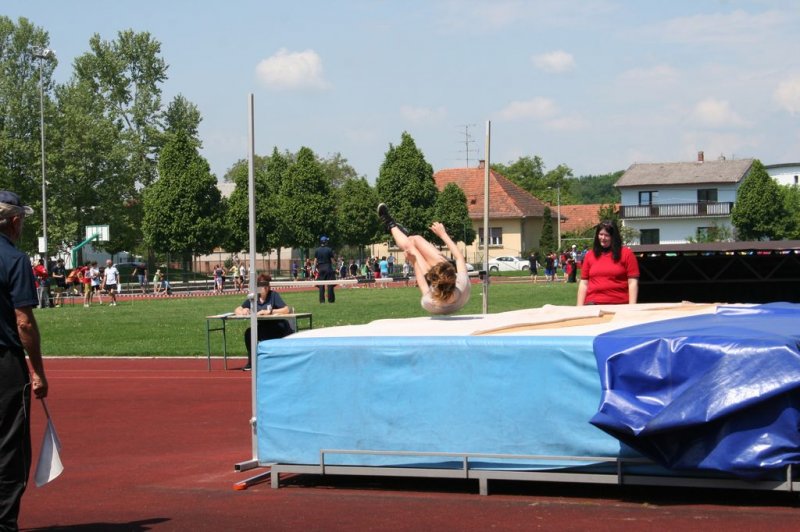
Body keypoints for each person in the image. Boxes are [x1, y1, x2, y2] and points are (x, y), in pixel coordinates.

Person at [0, 191, 48, 530]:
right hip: (5, 362)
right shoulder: (15, 259)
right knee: (9, 450)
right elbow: (24, 322)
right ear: (14, 221)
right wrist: (38, 371)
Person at [377, 203, 470, 315]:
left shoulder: (430, 301)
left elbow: (422, 283)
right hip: (444, 277)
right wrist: (442, 234)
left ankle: (389, 223)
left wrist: (414, 261)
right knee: (415, 239)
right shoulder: (462, 284)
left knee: (411, 246)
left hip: (436, 281)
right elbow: (459, 258)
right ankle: (404, 235)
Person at [234, 274, 294, 371]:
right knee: (249, 333)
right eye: (262, 285)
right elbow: (237, 309)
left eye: (266, 285)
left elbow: (286, 309)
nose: (264, 288)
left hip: (277, 327)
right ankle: (251, 362)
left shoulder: (274, 295)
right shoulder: (254, 298)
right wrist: (243, 311)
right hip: (262, 328)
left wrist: (269, 312)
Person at [577, 220, 640, 306]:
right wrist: (579, 307)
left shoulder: (627, 254)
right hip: (593, 304)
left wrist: (632, 307)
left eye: (607, 235)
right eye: (601, 234)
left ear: (613, 236)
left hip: (619, 304)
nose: (603, 238)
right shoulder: (589, 255)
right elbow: (584, 283)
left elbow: (632, 282)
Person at [314, 236, 336, 303]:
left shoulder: (317, 250)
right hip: (328, 267)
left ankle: (322, 301)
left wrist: (314, 268)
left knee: (321, 285)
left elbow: (315, 260)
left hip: (320, 268)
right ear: (326, 242)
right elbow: (332, 260)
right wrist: (335, 265)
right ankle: (330, 300)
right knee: (330, 284)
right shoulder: (329, 250)